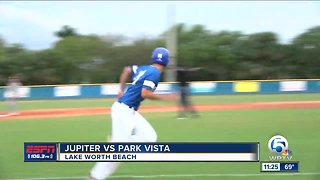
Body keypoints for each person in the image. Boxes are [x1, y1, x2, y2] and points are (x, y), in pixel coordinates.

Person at [88, 47, 177, 180]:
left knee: (149, 136)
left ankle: (116, 144)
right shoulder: (155, 73)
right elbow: (145, 93)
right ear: (167, 61)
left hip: (129, 111)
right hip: (123, 110)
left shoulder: (145, 69)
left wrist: (120, 89)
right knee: (118, 153)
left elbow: (127, 69)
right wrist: (167, 97)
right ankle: (94, 177)